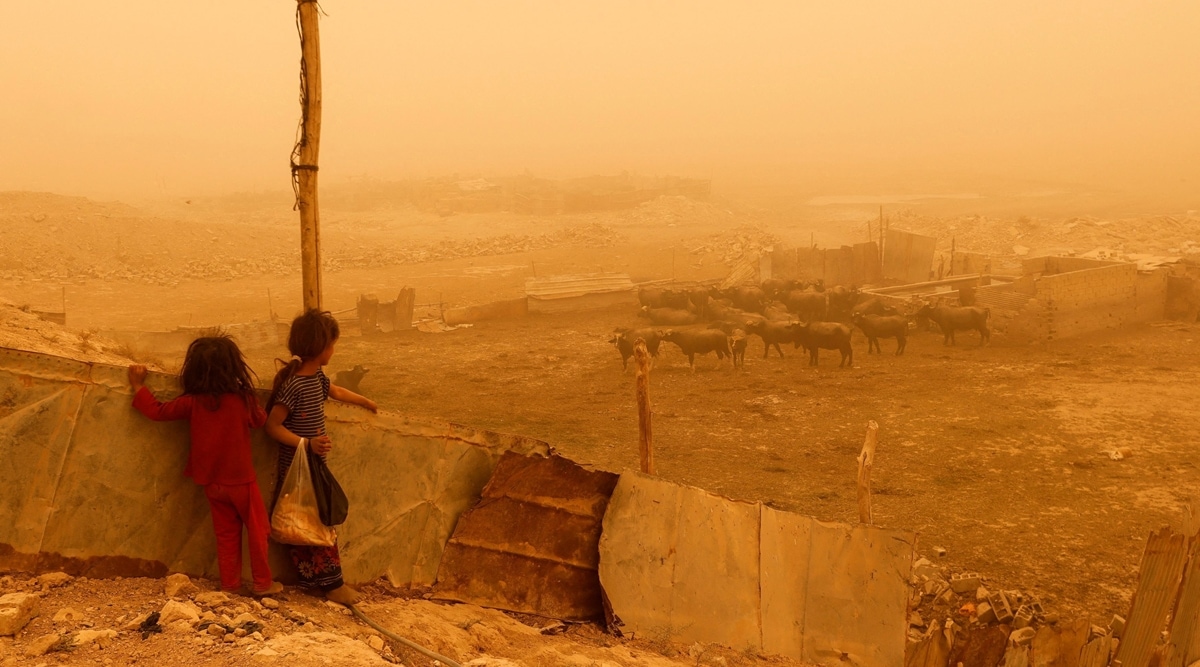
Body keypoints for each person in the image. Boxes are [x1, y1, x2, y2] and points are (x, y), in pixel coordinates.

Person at [128, 336, 283, 597]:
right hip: (242, 481)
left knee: (226, 533)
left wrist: (137, 385)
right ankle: (262, 583)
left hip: (212, 483)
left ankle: (230, 585)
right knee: (258, 530)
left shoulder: (192, 402)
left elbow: (157, 411)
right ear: (233, 367)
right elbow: (259, 420)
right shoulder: (242, 398)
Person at [265, 309, 377, 605]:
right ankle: (333, 584)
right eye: (332, 345)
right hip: (298, 468)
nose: (333, 350)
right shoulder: (294, 385)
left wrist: (365, 401)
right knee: (318, 523)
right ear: (320, 347)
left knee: (305, 523)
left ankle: (311, 581)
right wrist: (307, 443)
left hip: (313, 465)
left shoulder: (315, 377)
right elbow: (272, 426)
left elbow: (335, 390)